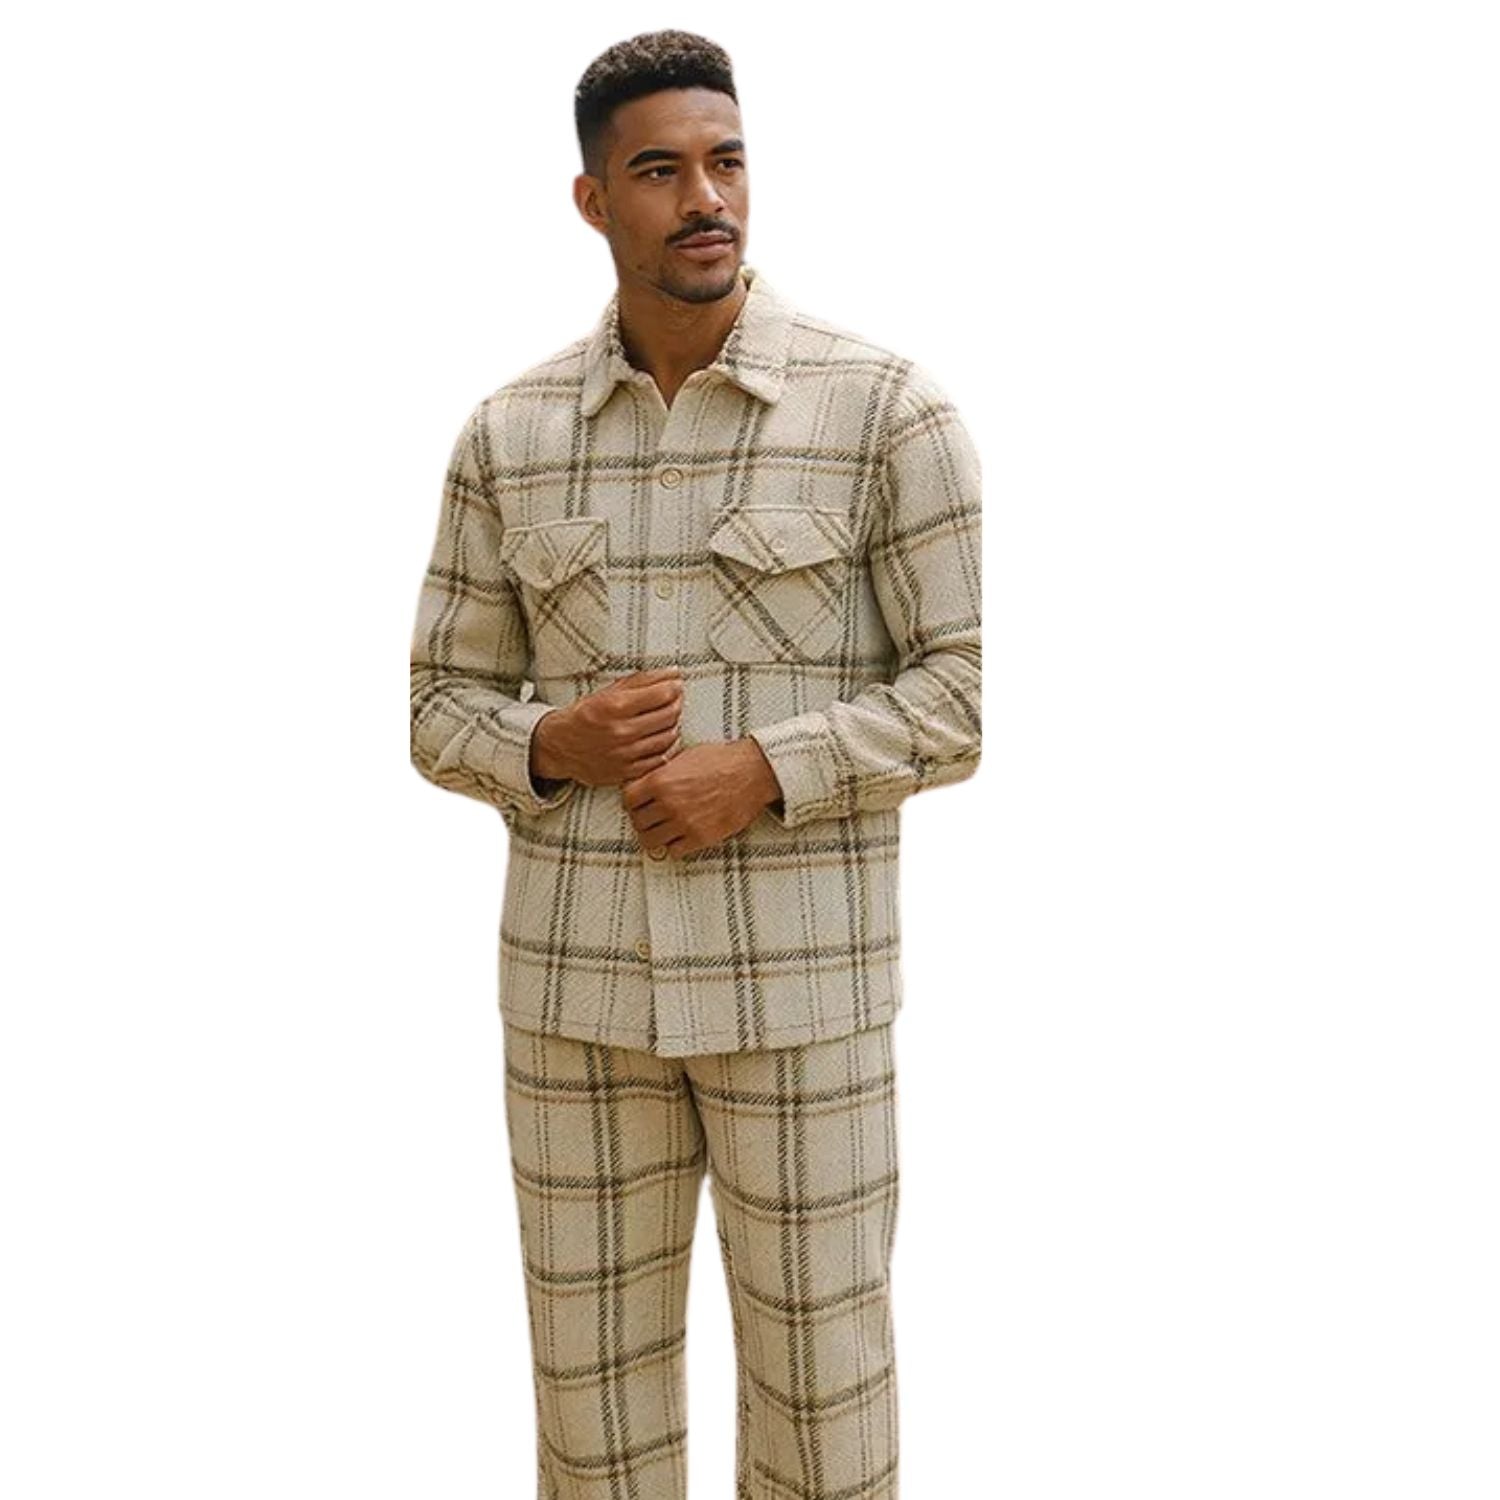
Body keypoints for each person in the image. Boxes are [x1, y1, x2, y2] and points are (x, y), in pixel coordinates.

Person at [408, 28, 982, 1500]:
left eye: (725, 162)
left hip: (800, 1000)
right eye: (660, 171)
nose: (705, 198)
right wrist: (549, 741)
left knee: (823, 1394)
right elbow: (437, 702)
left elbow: (961, 695)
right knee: (589, 1408)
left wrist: (768, 770)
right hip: (576, 1003)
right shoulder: (510, 435)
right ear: (595, 200)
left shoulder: (884, 412)